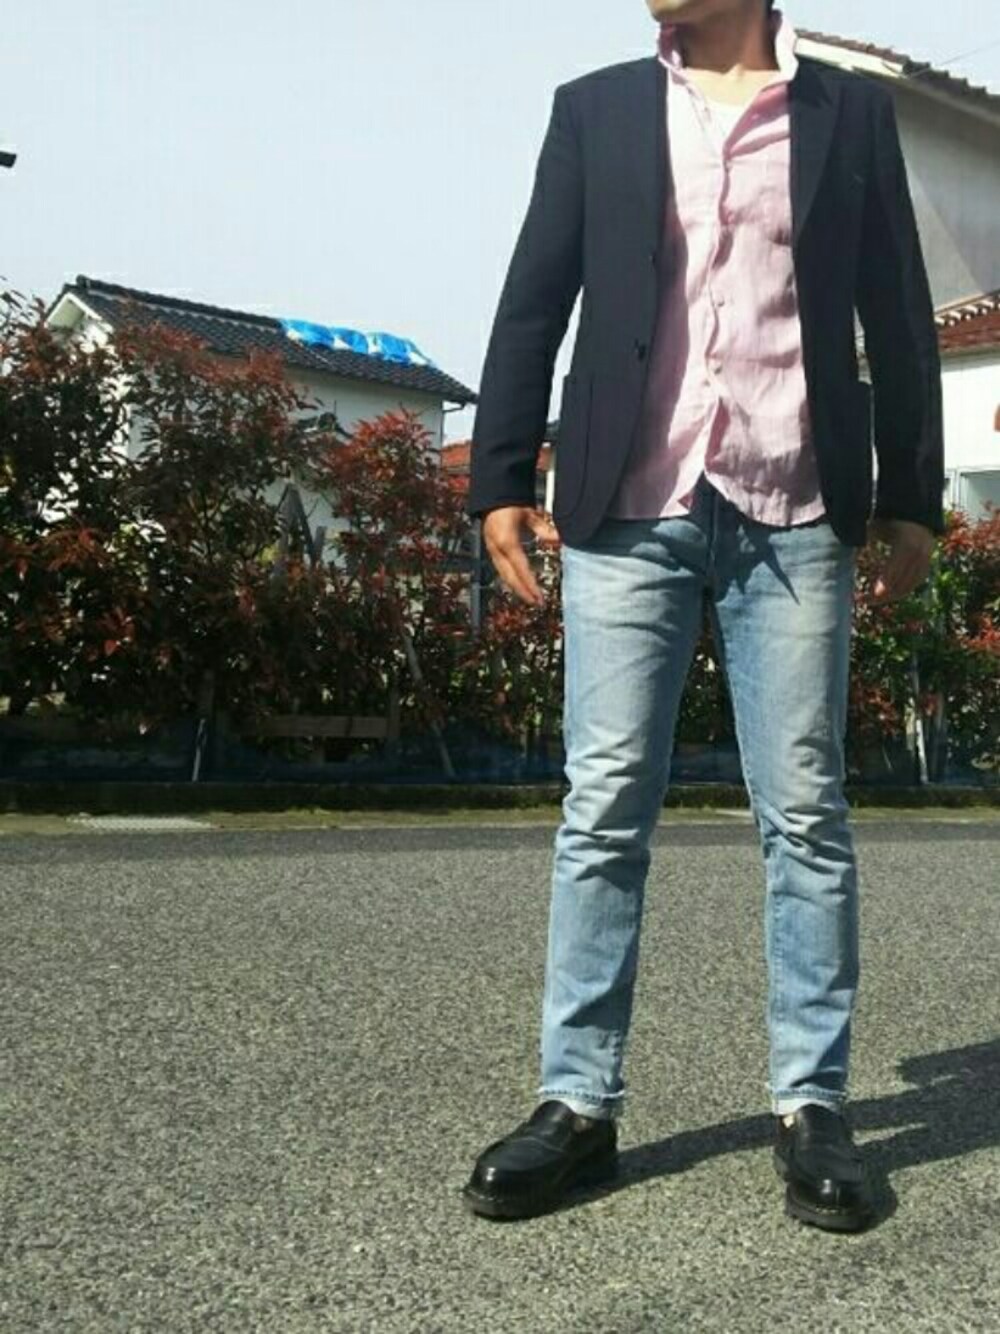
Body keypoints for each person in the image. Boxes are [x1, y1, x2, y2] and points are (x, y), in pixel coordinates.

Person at [461, 0, 944, 1232]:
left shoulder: (850, 116)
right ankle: (576, 1101)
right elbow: (534, 300)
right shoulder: (596, 110)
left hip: (796, 505)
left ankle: (812, 1102)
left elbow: (894, 311)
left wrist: (910, 497)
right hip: (631, 504)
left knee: (805, 810)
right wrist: (499, 473)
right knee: (603, 804)